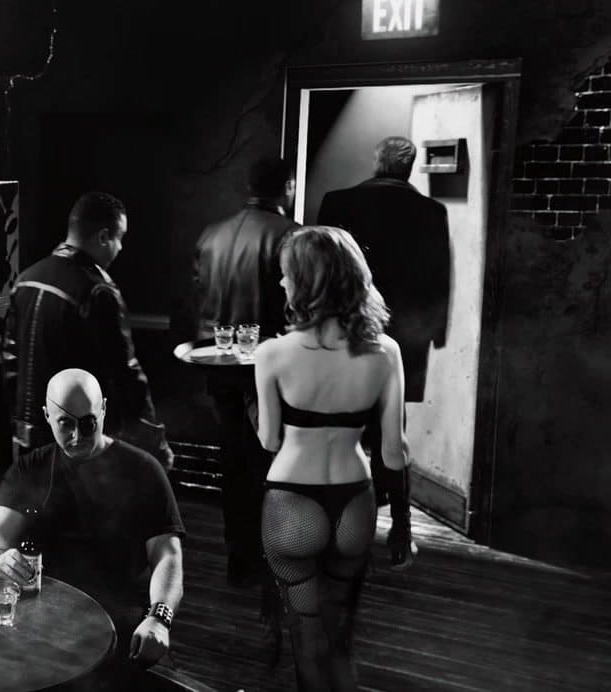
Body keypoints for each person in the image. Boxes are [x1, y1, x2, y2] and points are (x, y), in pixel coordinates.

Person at [252, 226, 415, 691]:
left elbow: (268, 440)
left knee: (307, 637)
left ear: (308, 282)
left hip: (292, 501)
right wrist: (401, 526)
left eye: (287, 274)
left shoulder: (272, 354)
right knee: (341, 636)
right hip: (354, 502)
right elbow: (394, 451)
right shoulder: (386, 352)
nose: (282, 283)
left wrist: (251, 409)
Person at [0, 368, 185, 690]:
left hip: (117, 618)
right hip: (41, 620)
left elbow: (168, 555)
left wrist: (160, 618)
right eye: (66, 423)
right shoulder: (31, 468)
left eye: (88, 423)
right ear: (47, 416)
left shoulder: (143, 469)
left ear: (103, 409)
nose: (77, 436)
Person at [316, 136, 451, 505]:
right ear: (409, 167)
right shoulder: (431, 211)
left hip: (345, 320)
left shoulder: (338, 202)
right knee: (393, 411)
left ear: (377, 162)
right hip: (407, 327)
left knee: (339, 404)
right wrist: (436, 332)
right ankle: (388, 492)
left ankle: (340, 486)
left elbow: (321, 266)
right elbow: (439, 275)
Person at [7, 191, 173, 469]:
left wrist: (18, 425)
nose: (120, 248)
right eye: (120, 238)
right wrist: (154, 441)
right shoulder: (97, 291)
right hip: (78, 443)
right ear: (104, 237)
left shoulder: (25, 280)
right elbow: (125, 375)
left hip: (29, 439)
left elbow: (11, 363)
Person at [192, 155, 300, 586]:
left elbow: (197, 297)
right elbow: (296, 308)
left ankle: (239, 555)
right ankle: (271, 555)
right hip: (269, 369)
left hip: (219, 366)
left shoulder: (212, 233)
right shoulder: (291, 236)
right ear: (288, 186)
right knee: (270, 462)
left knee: (234, 462)